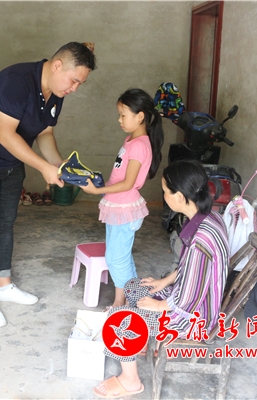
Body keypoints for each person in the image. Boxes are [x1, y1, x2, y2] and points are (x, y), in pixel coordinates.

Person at [0, 42, 97, 327]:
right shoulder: (16, 81)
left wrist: (60, 167)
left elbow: (45, 133)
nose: (74, 89)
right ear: (57, 66)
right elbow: (5, 135)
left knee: (5, 224)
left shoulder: (56, 92)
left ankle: (3, 284)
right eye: (73, 81)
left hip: (10, 162)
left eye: (80, 84)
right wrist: (43, 167)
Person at [93, 160, 229, 398]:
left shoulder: (201, 240)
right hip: (191, 299)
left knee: (118, 319)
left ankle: (131, 381)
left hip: (193, 316)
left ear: (180, 196)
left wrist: (160, 306)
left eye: (166, 191)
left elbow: (191, 295)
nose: (164, 196)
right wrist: (163, 282)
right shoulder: (208, 218)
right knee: (134, 286)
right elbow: (192, 269)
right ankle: (143, 339)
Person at [82, 88, 164, 309]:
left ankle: (125, 301)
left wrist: (96, 191)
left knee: (116, 258)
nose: (119, 120)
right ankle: (130, 297)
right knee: (119, 256)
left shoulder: (139, 146)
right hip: (118, 205)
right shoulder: (131, 140)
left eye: (123, 115)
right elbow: (120, 175)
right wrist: (101, 184)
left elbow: (128, 183)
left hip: (124, 208)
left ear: (140, 116)